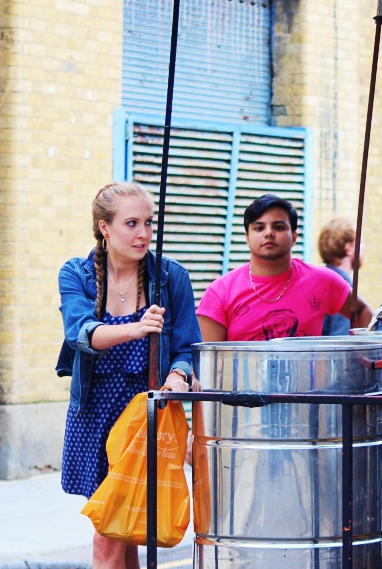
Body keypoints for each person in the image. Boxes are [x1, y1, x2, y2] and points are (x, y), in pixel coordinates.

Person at [57, 182, 200, 568]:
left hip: (144, 417)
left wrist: (178, 377)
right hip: (94, 415)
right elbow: (81, 334)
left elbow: (188, 348)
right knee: (118, 533)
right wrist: (138, 327)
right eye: (131, 223)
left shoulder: (171, 277)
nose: (143, 234)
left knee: (121, 534)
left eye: (149, 223)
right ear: (105, 228)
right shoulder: (77, 274)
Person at [197, 195, 373, 341]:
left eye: (278, 227)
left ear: (294, 236)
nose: (268, 233)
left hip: (310, 384)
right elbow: (209, 365)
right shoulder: (220, 292)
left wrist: (360, 359)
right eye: (259, 227)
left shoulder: (322, 280)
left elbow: (363, 311)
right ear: (247, 237)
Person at [317, 216, 364, 336]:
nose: (364, 247)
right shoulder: (342, 287)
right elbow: (342, 341)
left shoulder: (319, 280)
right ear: (348, 248)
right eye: (360, 242)